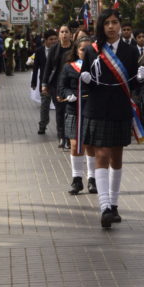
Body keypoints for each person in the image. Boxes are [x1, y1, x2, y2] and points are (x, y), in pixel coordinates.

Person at [80, 8, 144, 228]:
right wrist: (85, 78)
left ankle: (114, 204)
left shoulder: (131, 51)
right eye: (106, 23)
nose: (111, 26)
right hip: (97, 108)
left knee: (116, 157)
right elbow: (85, 79)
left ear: (120, 25)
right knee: (102, 154)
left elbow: (134, 84)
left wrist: (142, 77)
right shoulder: (92, 50)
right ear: (101, 25)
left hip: (120, 109)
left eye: (115, 22)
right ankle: (104, 205)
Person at [58, 36, 97, 195]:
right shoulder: (68, 67)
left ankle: (92, 179)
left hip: (92, 109)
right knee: (75, 144)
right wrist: (68, 94)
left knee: (90, 145)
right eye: (82, 49)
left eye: (89, 50)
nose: (85, 52)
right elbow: (62, 87)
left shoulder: (97, 67)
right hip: (74, 109)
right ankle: (77, 179)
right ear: (76, 50)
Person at [42, 25, 74, 148]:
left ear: (71, 34)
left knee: (70, 111)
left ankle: (70, 137)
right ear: (59, 34)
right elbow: (48, 67)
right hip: (57, 84)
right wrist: (44, 84)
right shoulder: (54, 49)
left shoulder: (74, 48)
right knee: (60, 111)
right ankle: (61, 136)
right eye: (62, 32)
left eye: (66, 32)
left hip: (71, 84)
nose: (64, 34)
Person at [32, 29, 58, 135]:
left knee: (59, 107)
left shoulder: (60, 50)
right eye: (51, 39)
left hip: (56, 83)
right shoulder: (39, 51)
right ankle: (42, 125)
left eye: (55, 39)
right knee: (44, 106)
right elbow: (35, 68)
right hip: (45, 83)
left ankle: (60, 128)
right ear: (46, 40)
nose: (54, 41)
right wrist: (33, 82)